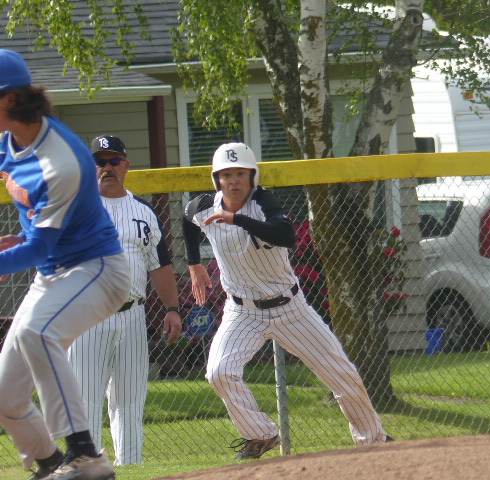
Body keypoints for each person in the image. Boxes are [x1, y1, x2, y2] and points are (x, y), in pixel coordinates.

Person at [182, 142, 392, 460]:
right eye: (226, 174)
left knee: (342, 374)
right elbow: (187, 219)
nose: (233, 180)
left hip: (290, 309)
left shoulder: (263, 202)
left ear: (252, 176)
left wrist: (236, 219)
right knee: (219, 372)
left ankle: (374, 439)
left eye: (240, 173)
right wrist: (193, 263)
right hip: (242, 311)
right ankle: (261, 435)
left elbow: (285, 236)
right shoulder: (202, 207)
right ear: (217, 180)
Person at [0, 50, 131, 480]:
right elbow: (36, 234)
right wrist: (16, 241)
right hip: (53, 274)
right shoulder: (7, 141)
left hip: (97, 270)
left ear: (10, 99)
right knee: (5, 396)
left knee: (38, 332)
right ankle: (52, 465)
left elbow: (39, 249)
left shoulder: (63, 161)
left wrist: (18, 249)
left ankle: (86, 454)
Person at [67, 135, 182, 466]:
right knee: (85, 398)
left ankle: (130, 465)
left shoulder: (144, 211)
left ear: (126, 165)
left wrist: (173, 309)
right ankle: (87, 466)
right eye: (99, 161)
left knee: (130, 398)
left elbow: (159, 265)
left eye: (114, 160)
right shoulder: (76, 209)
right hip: (88, 314)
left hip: (133, 315)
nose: (107, 167)